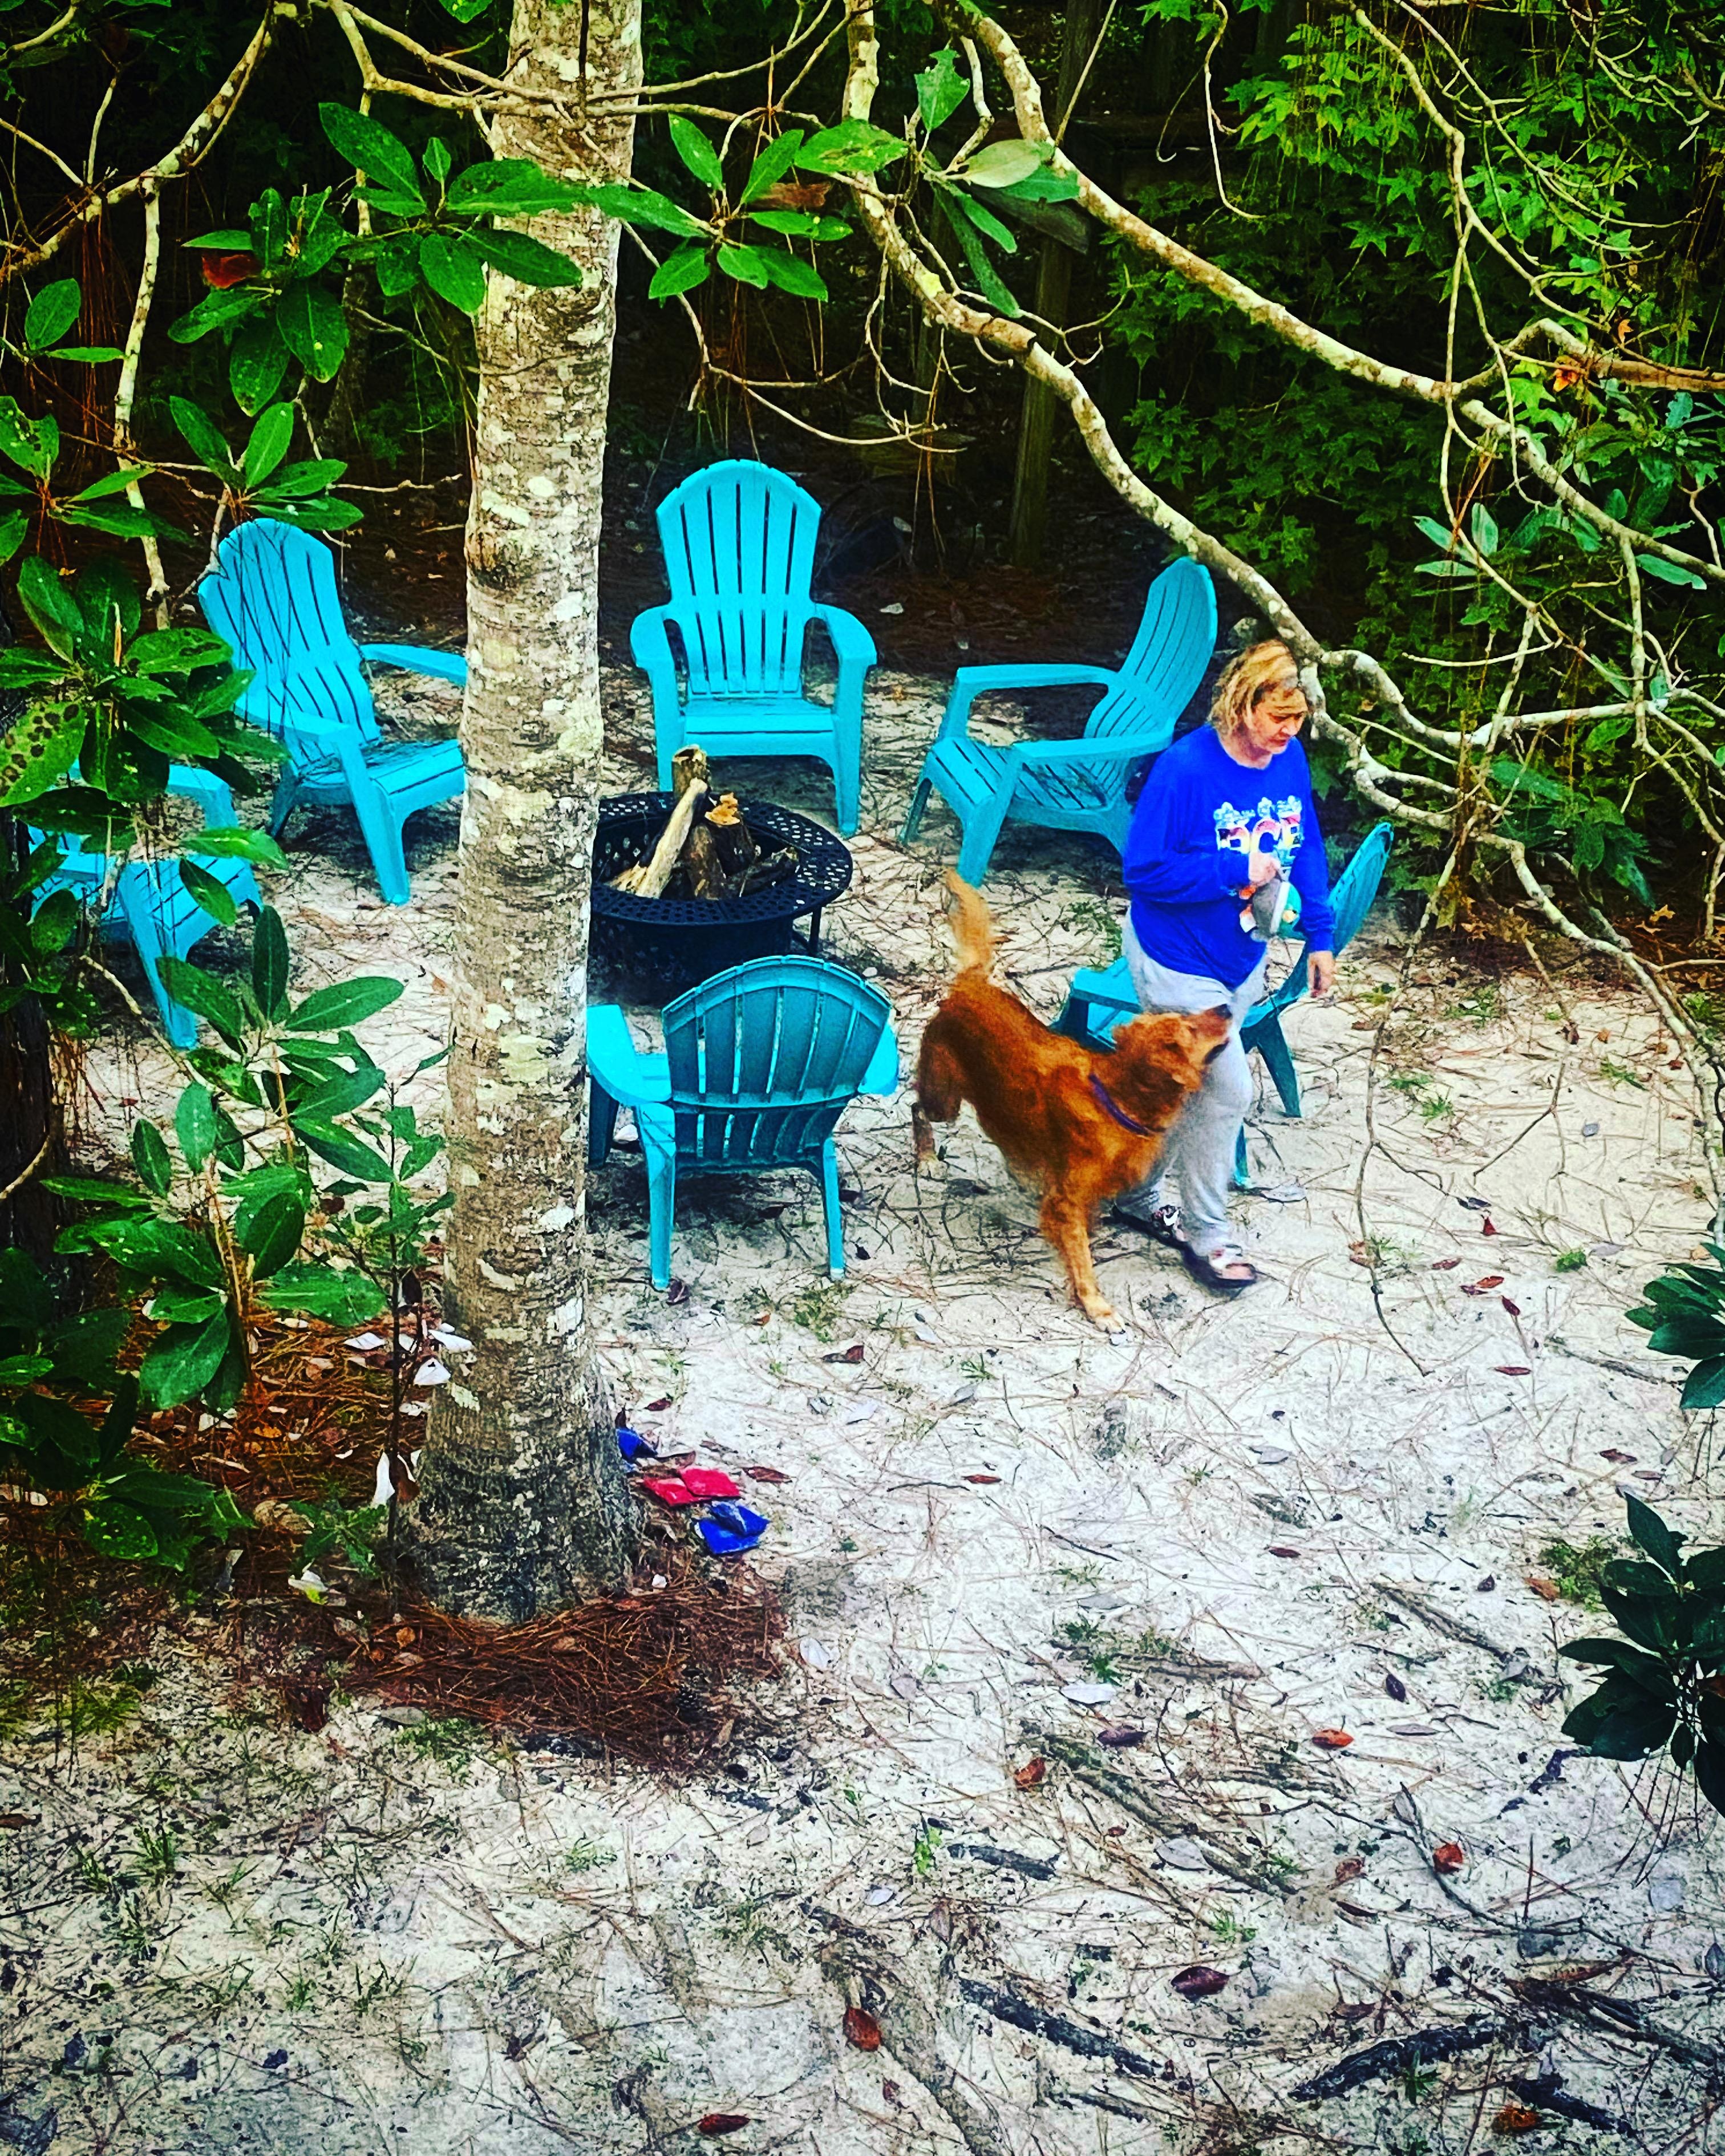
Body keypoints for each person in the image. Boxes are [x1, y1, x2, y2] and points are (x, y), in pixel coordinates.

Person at [1115, 638, 1334, 1295]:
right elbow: (1142, 870)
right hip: (1176, 957)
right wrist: (1232, 868)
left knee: (1188, 1086)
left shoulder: (1288, 759)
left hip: (1241, 958)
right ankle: (1207, 1237)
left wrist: (1320, 934)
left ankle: (1133, 1193)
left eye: (1298, 721)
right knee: (1230, 1088)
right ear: (1243, 703)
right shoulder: (1185, 769)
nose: (1289, 734)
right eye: (1279, 719)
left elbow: (1307, 844)